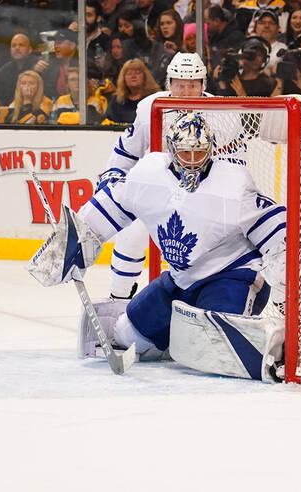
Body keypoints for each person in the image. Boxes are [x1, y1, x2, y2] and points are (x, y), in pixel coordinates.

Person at [28, 111, 286, 380]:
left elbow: (274, 228)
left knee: (209, 346)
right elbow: (109, 205)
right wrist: (72, 245)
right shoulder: (148, 175)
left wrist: (282, 277)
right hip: (180, 279)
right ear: (171, 150)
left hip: (232, 276)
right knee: (127, 335)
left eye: (200, 152)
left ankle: (278, 348)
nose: (193, 161)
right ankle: (172, 339)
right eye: (185, 153)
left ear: (211, 150)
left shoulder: (232, 183)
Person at [94, 52, 211, 299]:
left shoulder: (222, 111)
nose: (187, 91)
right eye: (180, 84)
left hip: (202, 193)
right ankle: (119, 296)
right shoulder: (151, 107)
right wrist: (113, 173)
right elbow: (128, 148)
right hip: (158, 191)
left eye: (192, 85)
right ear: (170, 83)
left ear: (203, 84)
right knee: (132, 232)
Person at [104, 58, 161, 124]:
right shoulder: (117, 100)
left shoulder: (154, 98)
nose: (133, 76)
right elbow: (109, 123)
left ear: (145, 77)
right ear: (123, 79)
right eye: (129, 74)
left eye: (137, 73)